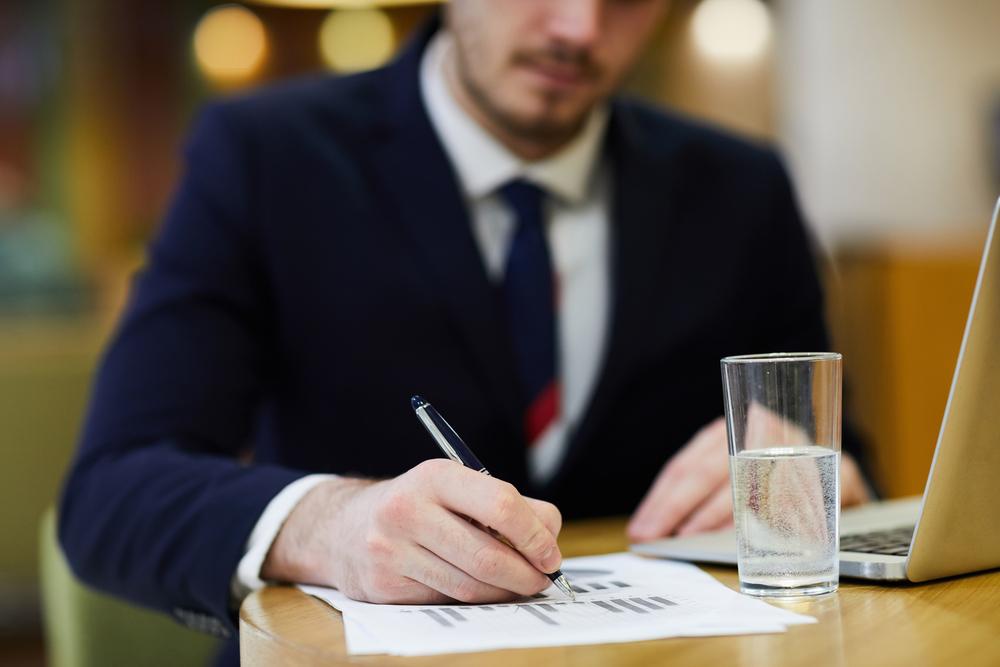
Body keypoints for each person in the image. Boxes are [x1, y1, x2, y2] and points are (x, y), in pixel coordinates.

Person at [59, 0, 870, 660]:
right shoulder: (263, 156)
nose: (578, 28)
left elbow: (853, 460)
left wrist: (807, 483)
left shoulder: (741, 186)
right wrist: (328, 525)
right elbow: (110, 492)